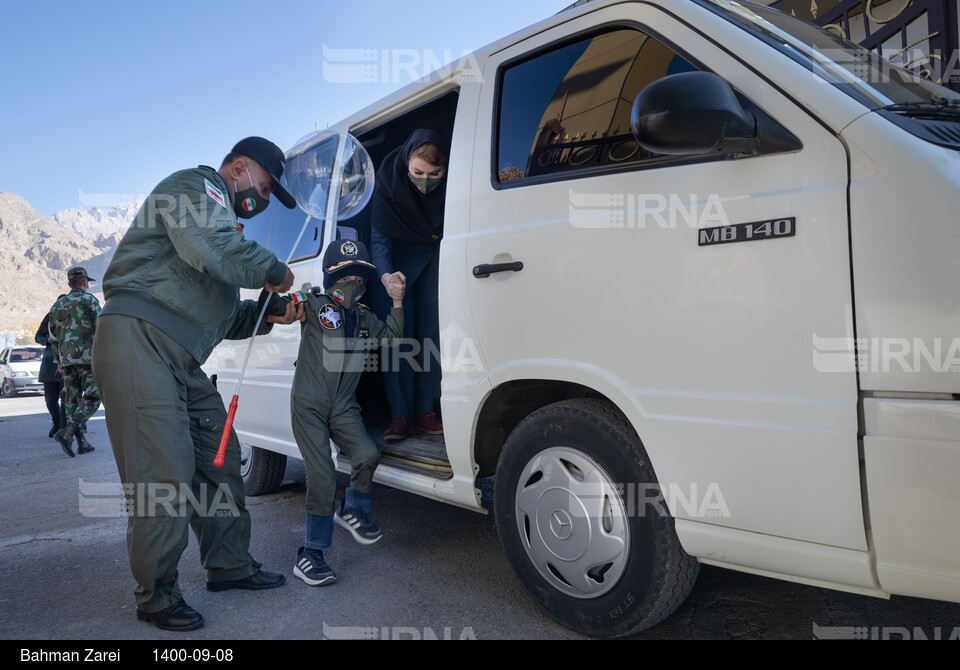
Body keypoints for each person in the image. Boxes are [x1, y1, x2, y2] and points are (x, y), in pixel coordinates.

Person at [91, 137, 303, 632]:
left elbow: (227, 317)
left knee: (220, 456)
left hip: (183, 357)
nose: (265, 199)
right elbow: (208, 248)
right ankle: (157, 596)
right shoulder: (196, 187)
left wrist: (271, 313)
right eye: (266, 186)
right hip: (139, 340)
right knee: (163, 474)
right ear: (239, 167)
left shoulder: (222, 230)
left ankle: (229, 567)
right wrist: (274, 270)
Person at [272, 241, 404, 587]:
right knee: (323, 474)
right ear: (332, 277)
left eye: (359, 276)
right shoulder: (314, 305)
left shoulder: (364, 318)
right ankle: (311, 554)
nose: (353, 282)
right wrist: (276, 296)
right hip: (310, 403)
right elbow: (283, 313)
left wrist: (397, 300)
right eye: (346, 275)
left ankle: (353, 508)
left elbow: (393, 337)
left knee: (367, 453)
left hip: (344, 405)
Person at [370, 129, 448, 441]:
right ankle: (400, 414)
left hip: (434, 262)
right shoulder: (387, 181)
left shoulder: (454, 184)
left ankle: (426, 410)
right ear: (406, 165)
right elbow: (379, 238)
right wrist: (386, 276)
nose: (425, 180)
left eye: (435, 174)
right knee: (397, 341)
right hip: (395, 268)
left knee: (433, 337)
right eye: (418, 172)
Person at [48, 269, 101, 458]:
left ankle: (81, 442)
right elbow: (101, 329)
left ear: (70, 284)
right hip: (89, 359)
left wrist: (59, 361)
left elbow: (52, 338)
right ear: (85, 282)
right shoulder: (90, 300)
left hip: (67, 361)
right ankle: (68, 432)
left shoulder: (57, 306)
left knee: (72, 401)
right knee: (94, 396)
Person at [34, 297, 67, 440]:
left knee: (66, 398)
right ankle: (57, 422)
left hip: (67, 363)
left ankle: (64, 428)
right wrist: (47, 340)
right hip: (49, 364)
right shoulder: (50, 316)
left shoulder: (72, 316)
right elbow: (38, 336)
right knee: (50, 399)